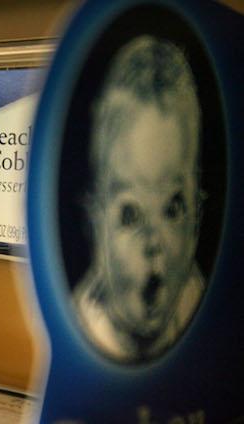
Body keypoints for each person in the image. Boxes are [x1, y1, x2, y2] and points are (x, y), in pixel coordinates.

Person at [73, 35, 205, 362]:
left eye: (172, 208)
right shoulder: (78, 330)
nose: (153, 242)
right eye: (130, 214)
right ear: (96, 224)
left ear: (196, 222)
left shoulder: (206, 318)